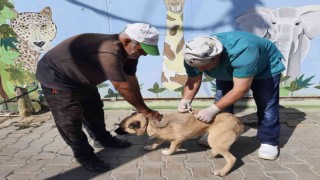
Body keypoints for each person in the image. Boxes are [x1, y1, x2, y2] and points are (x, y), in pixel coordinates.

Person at [35, 23, 163, 172]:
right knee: (69, 121)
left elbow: (130, 79)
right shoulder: (109, 52)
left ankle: (102, 139)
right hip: (58, 79)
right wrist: (146, 111)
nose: (145, 54)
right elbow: (122, 87)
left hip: (82, 79)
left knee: (94, 109)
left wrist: (143, 108)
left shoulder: (131, 52)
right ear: (127, 41)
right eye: (143, 50)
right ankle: (85, 156)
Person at [178, 31, 285, 160]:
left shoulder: (242, 50)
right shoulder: (194, 54)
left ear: (216, 57)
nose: (200, 70)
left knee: (266, 105)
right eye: (197, 66)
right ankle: (218, 134)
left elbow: (240, 89)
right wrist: (186, 99)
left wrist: (212, 110)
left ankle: (269, 140)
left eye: (204, 66)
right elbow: (194, 79)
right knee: (221, 102)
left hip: (265, 68)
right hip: (229, 68)